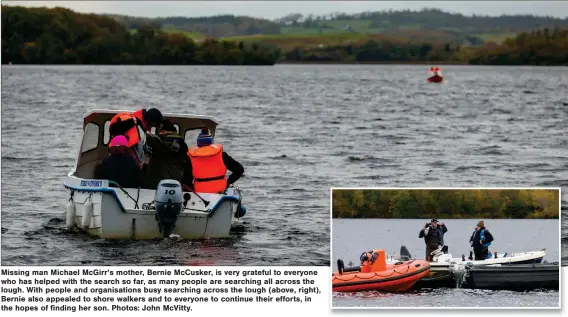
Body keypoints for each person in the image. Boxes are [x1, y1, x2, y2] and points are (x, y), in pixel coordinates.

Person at [184, 128, 244, 193]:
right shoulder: (222, 155)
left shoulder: (191, 157)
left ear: (198, 143)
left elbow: (186, 180)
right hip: (220, 191)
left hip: (200, 192)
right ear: (211, 142)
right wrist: (228, 182)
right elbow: (239, 169)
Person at [142, 119, 189, 189]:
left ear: (163, 131)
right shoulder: (183, 145)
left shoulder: (156, 142)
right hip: (178, 184)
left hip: (156, 184)